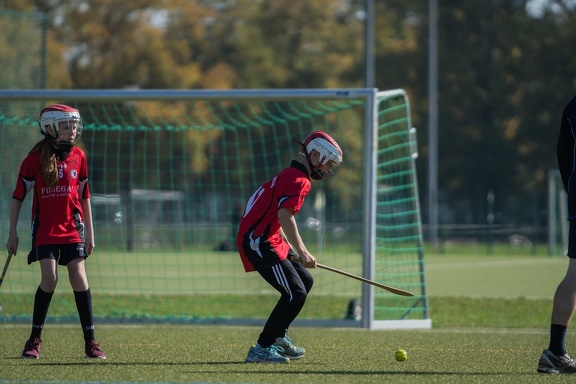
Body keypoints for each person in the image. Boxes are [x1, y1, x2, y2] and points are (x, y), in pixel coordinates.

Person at [5, 104, 106, 360]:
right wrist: (12, 233)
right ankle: (34, 339)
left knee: (79, 277)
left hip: (73, 230)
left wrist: (91, 234)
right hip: (45, 231)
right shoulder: (34, 160)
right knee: (49, 279)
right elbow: (17, 197)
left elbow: (85, 196)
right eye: (66, 126)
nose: (72, 131)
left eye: (74, 125)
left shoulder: (79, 157)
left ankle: (91, 343)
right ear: (50, 128)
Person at [236, 130, 343, 363]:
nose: (327, 170)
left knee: (305, 281)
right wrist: (303, 251)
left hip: (271, 238)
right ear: (315, 155)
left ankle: (278, 339)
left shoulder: (290, 175)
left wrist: (287, 245)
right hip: (259, 242)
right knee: (295, 294)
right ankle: (261, 348)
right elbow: (285, 215)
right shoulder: (299, 180)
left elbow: (274, 214)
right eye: (328, 164)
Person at [537, 95, 576, 373]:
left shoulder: (572, 106)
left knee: (574, 275)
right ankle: (555, 352)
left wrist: (571, 192)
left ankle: (555, 352)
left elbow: (564, 155)